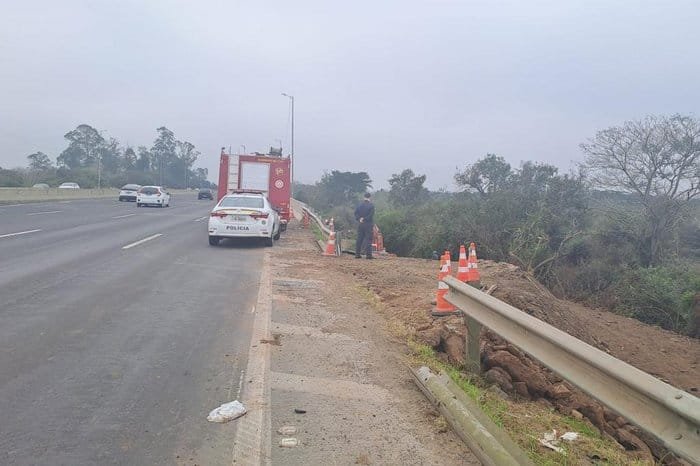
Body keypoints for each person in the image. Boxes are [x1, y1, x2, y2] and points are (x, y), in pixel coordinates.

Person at [354, 192, 375, 259]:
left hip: (360, 224)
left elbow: (356, 213)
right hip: (368, 224)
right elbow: (370, 215)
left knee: (359, 239)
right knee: (368, 239)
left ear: (364, 197)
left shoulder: (359, 205)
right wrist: (365, 219)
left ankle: (357, 254)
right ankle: (368, 255)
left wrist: (359, 219)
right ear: (370, 197)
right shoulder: (371, 206)